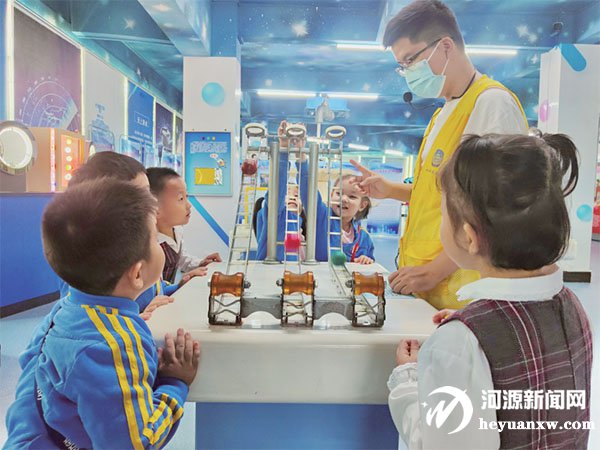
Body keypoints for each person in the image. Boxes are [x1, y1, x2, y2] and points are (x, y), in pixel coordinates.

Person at [388, 134, 592, 449]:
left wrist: (407, 379)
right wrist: (474, 328)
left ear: (469, 238)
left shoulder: (457, 345)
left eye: (443, 215)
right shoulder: (571, 307)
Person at [351, 0, 528, 309]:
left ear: (446, 46)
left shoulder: (492, 105)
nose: (407, 72)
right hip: (429, 288)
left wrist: (435, 270)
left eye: (411, 60)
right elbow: (443, 194)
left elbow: (496, 211)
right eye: (402, 65)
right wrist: (390, 190)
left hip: (464, 291)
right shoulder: (443, 114)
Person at [4, 179, 201, 449]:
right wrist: (174, 383)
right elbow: (136, 442)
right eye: (155, 238)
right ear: (137, 273)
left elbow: (32, 369)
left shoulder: (64, 309)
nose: (159, 243)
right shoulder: (115, 345)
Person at [63, 152, 192, 319]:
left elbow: (155, 289)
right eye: (142, 196)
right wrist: (137, 318)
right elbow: (83, 315)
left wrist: (178, 286)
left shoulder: (138, 250)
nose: (154, 203)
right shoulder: (88, 270)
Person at [255, 122, 375, 263]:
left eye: (352, 196)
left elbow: (370, 262)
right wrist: (292, 152)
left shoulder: (363, 237)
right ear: (331, 195)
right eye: (339, 193)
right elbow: (297, 189)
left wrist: (366, 260)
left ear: (362, 205)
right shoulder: (321, 216)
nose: (343, 199)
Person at [146, 168, 221, 284]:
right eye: (181, 199)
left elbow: (181, 259)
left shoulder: (177, 230)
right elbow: (153, 289)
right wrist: (179, 284)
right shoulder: (150, 244)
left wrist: (201, 263)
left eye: (187, 196)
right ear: (155, 208)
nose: (189, 205)